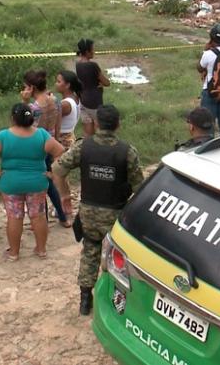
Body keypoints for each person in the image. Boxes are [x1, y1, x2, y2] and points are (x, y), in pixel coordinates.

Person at [52, 105, 144, 316]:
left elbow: (57, 170)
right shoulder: (126, 150)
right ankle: (117, 300)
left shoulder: (83, 147)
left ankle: (85, 299)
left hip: (89, 212)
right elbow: (139, 186)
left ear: (95, 123)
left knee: (90, 251)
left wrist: (65, 197)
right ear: (118, 124)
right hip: (115, 214)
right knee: (119, 257)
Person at [0, 103, 65, 261]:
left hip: (11, 183)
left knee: (14, 217)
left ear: (13, 118)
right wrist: (53, 173)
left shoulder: (3, 136)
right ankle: (41, 250)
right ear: (32, 118)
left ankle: (14, 253)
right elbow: (60, 151)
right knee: (38, 216)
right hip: (37, 182)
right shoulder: (41, 135)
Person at [22, 70, 69, 227]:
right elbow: (58, 123)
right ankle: (63, 217)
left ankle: (43, 222)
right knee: (49, 183)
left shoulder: (33, 107)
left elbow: (23, 127)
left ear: (31, 88)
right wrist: (56, 140)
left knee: (41, 186)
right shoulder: (54, 100)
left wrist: (23, 101)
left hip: (36, 148)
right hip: (51, 143)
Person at [75, 39, 110, 137]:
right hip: (95, 102)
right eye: (93, 50)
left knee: (87, 133)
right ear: (87, 52)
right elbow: (106, 82)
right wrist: (103, 83)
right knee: (99, 133)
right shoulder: (93, 65)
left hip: (83, 100)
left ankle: (87, 149)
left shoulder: (78, 64)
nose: (94, 52)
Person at [55, 70, 82, 150]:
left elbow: (50, 120)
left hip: (62, 141)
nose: (56, 84)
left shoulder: (65, 104)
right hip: (70, 137)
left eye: (58, 82)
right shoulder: (76, 98)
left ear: (67, 85)